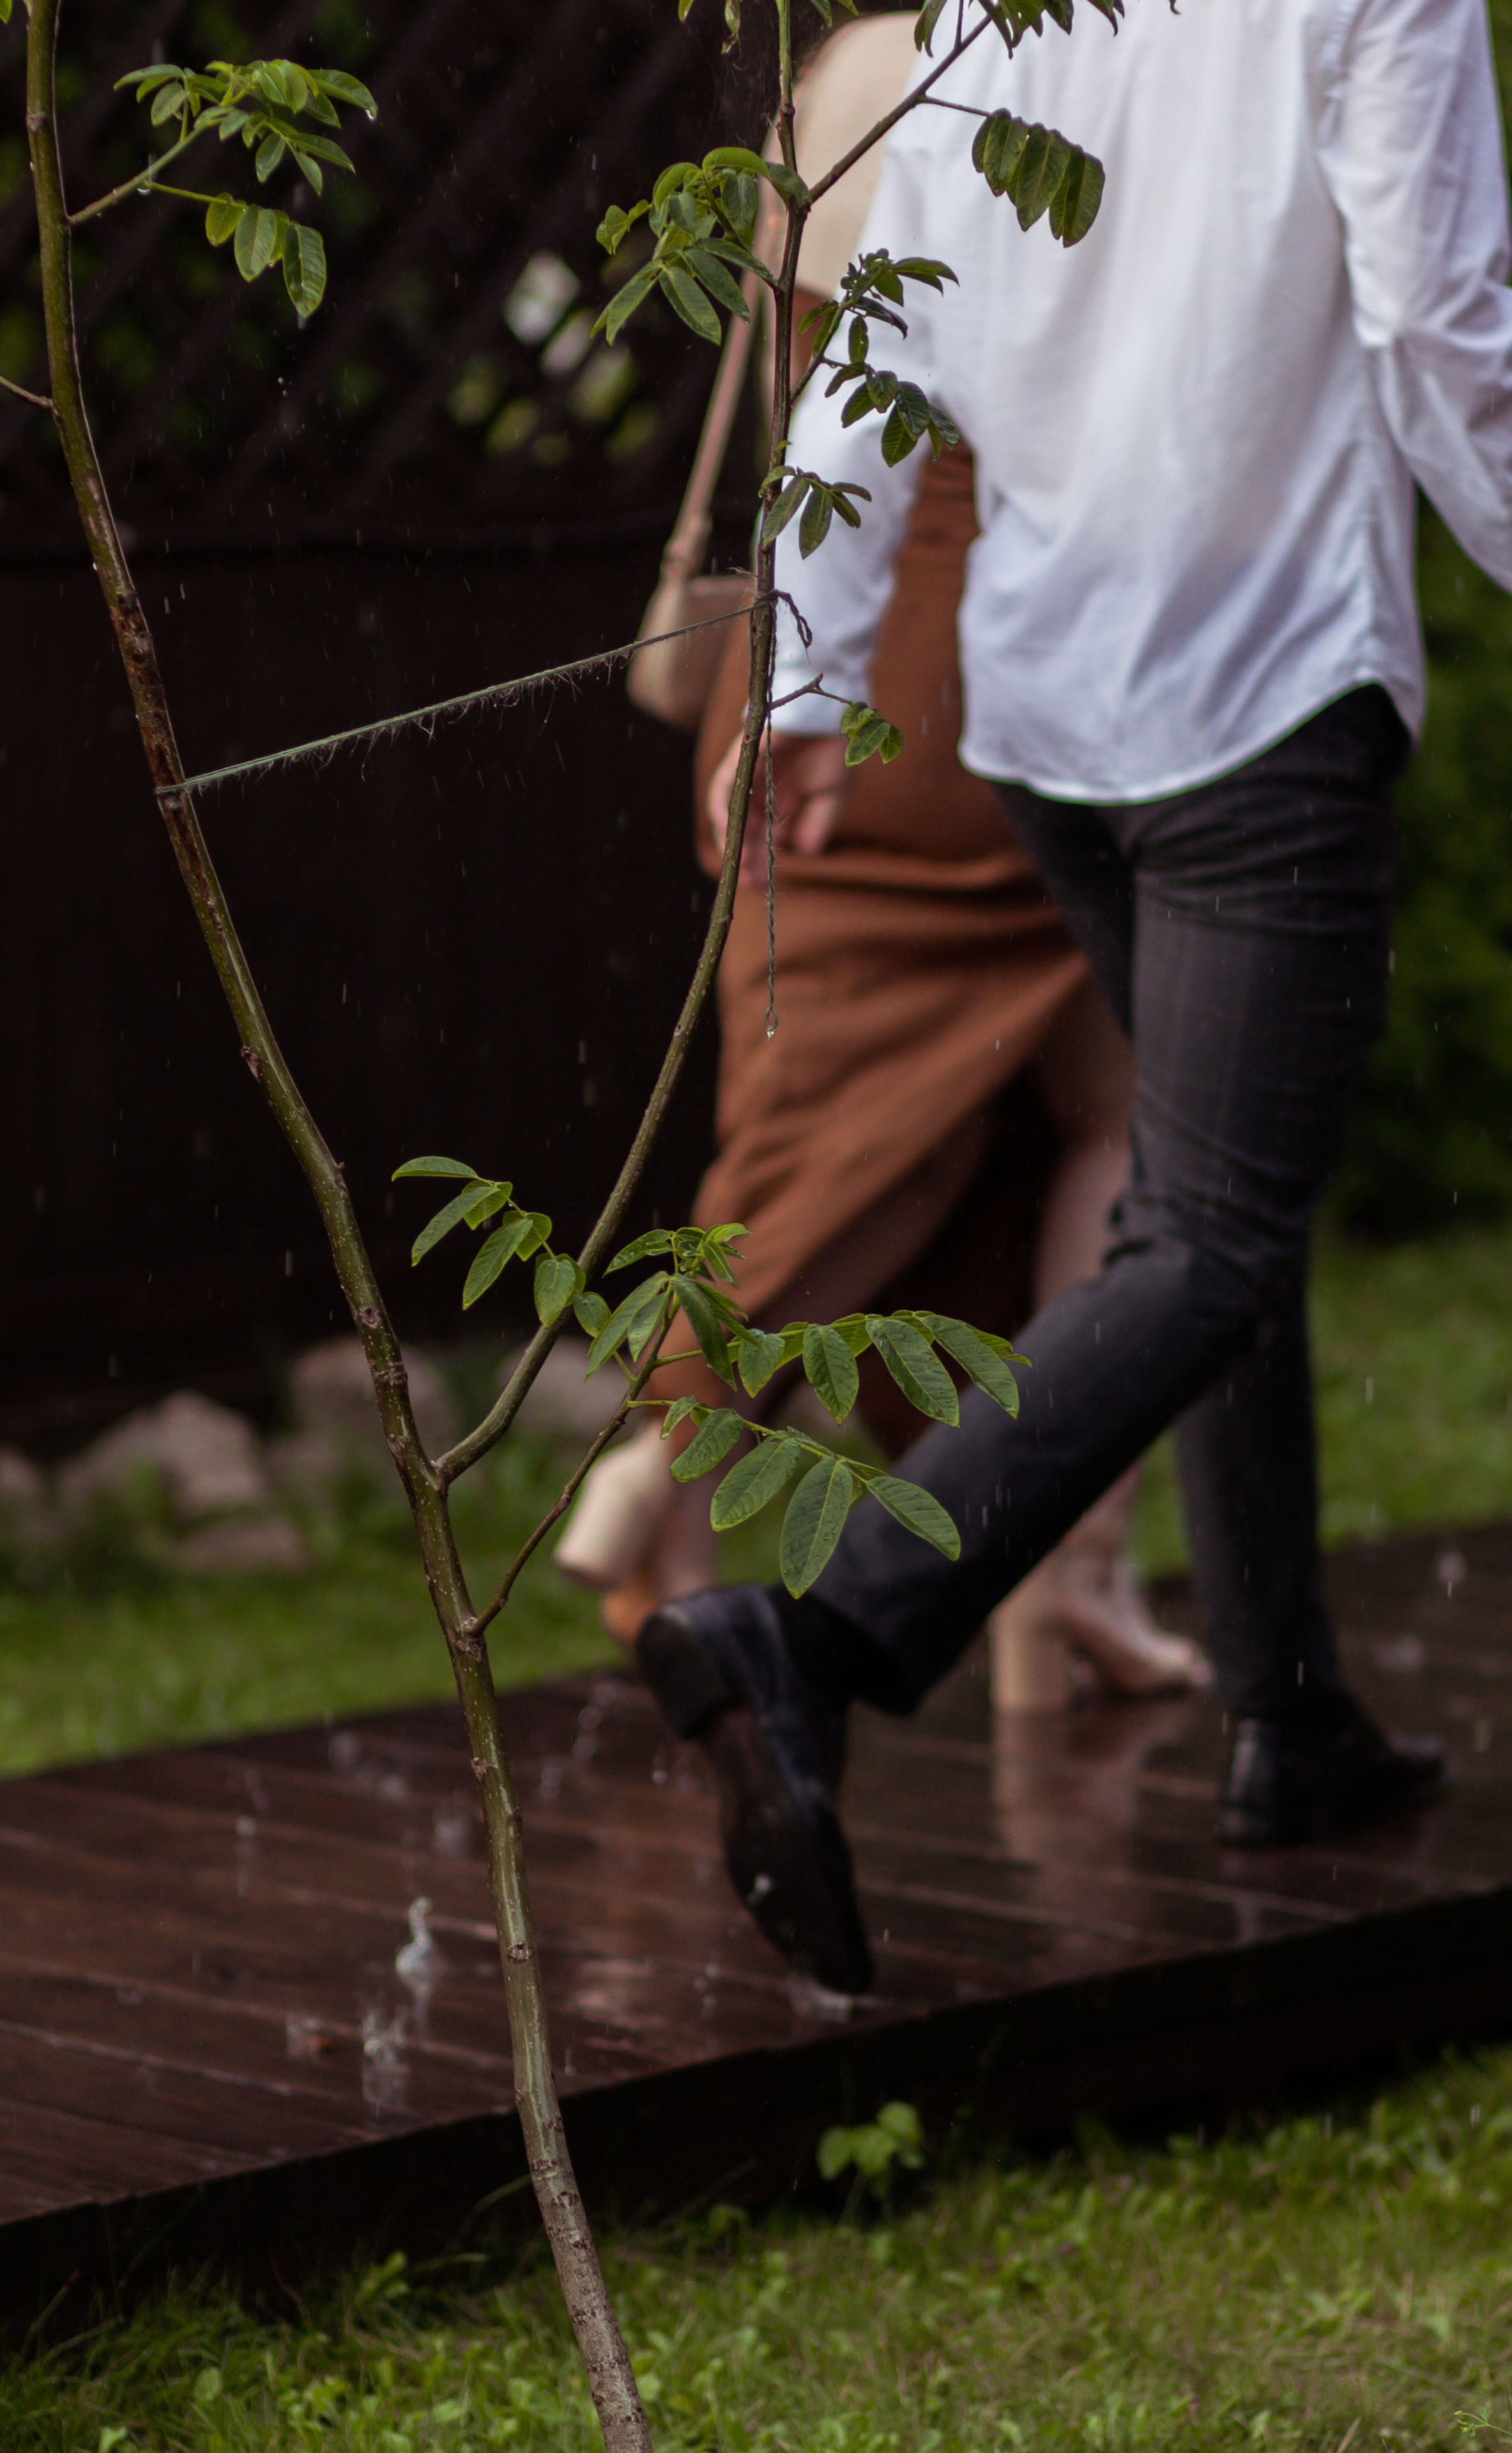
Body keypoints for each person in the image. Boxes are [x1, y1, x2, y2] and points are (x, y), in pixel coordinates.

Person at [632, 0, 1508, 1994]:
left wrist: (806, 667)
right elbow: (1446, 320)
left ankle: (1290, 1715)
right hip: (1260, 696)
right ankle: (826, 1633)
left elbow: (886, 320)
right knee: (1206, 1237)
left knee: (1206, 1220)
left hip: (1047, 714)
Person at [557, 14, 1204, 1709]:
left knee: (897, 1125)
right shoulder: (1064, 83)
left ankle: (698, 1498)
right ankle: (1038, 1561)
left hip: (824, 646)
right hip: (990, 659)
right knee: (1069, 1132)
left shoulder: (841, 74)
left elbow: (806, 396)